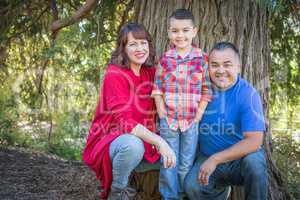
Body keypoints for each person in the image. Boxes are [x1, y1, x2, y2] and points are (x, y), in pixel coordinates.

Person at [82, 23, 176, 200]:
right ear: (123, 48)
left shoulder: (150, 72)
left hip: (142, 138)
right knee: (133, 145)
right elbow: (125, 123)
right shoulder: (115, 74)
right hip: (110, 139)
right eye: (133, 44)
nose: (140, 48)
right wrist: (160, 142)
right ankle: (117, 192)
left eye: (143, 43)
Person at [184, 42, 268, 200]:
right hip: (207, 156)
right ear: (208, 67)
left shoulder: (248, 94)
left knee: (255, 163)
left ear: (238, 67)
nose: (220, 70)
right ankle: (219, 193)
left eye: (227, 65)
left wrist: (215, 159)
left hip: (240, 159)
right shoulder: (200, 90)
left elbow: (255, 141)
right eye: (214, 65)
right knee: (192, 187)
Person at [152, 9, 213, 199]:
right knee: (169, 160)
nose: (180, 35)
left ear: (194, 31)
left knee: (186, 161)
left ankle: (184, 194)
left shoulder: (202, 59)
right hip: (168, 120)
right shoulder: (166, 59)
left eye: (185, 30)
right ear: (169, 33)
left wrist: (198, 116)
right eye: (175, 31)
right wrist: (161, 113)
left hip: (191, 121)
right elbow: (157, 88)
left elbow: (206, 90)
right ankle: (169, 196)